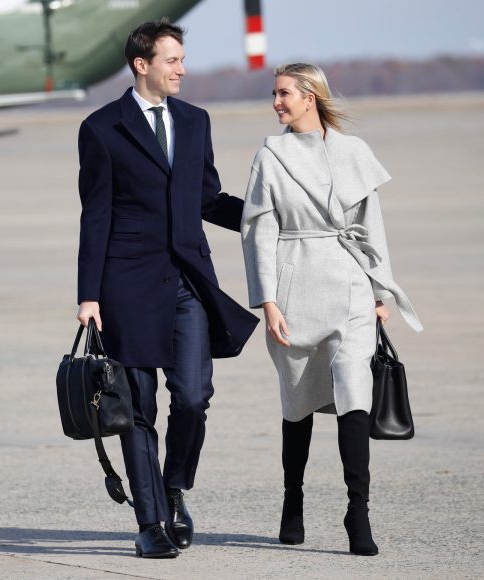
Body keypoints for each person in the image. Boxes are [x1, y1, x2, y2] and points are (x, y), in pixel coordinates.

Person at [75, 20, 258, 559]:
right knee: (137, 410)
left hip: (187, 283)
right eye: (172, 59)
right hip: (126, 285)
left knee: (194, 396)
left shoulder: (196, 121)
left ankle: (174, 486)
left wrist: (264, 217)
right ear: (142, 64)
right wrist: (89, 295)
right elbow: (96, 215)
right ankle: (150, 523)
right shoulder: (102, 128)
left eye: (182, 58)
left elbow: (206, 198)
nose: (182, 68)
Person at [241, 63, 423, 555]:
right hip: (295, 286)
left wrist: (381, 294)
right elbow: (258, 232)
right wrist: (268, 300)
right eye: (274, 94)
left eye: (283, 93)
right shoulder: (270, 157)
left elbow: (372, 224)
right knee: (297, 404)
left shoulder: (353, 152)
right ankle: (292, 500)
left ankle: (357, 511)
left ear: (310, 96)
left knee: (354, 395)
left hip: (350, 287)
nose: (276, 102)